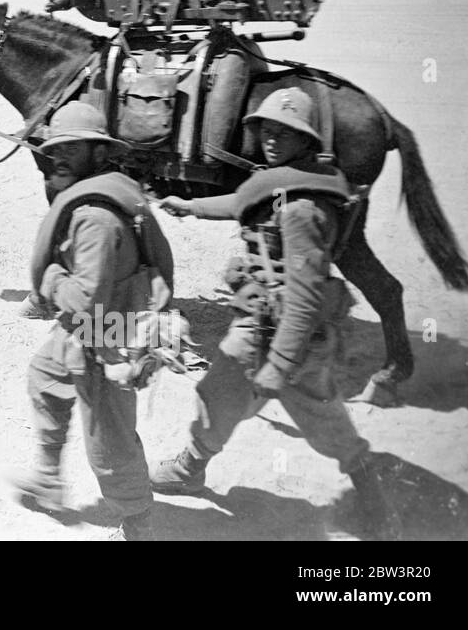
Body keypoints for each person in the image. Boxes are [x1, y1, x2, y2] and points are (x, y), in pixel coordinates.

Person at [150, 88, 400, 540]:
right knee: (222, 395)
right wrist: (191, 207)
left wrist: (278, 367)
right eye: (266, 128)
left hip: (286, 334)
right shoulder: (286, 184)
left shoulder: (303, 208)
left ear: (305, 140)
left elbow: (304, 298)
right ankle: (191, 468)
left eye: (284, 132)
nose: (270, 137)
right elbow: (243, 203)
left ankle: (375, 505)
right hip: (267, 326)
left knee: (316, 420)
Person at [4, 101, 174, 541]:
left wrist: (52, 277)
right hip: (92, 324)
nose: (59, 157)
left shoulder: (93, 217)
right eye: (56, 149)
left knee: (110, 443)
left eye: (73, 149)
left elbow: (83, 299)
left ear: (99, 154)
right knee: (46, 378)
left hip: (108, 333)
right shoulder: (110, 190)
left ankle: (139, 524)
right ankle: (47, 478)